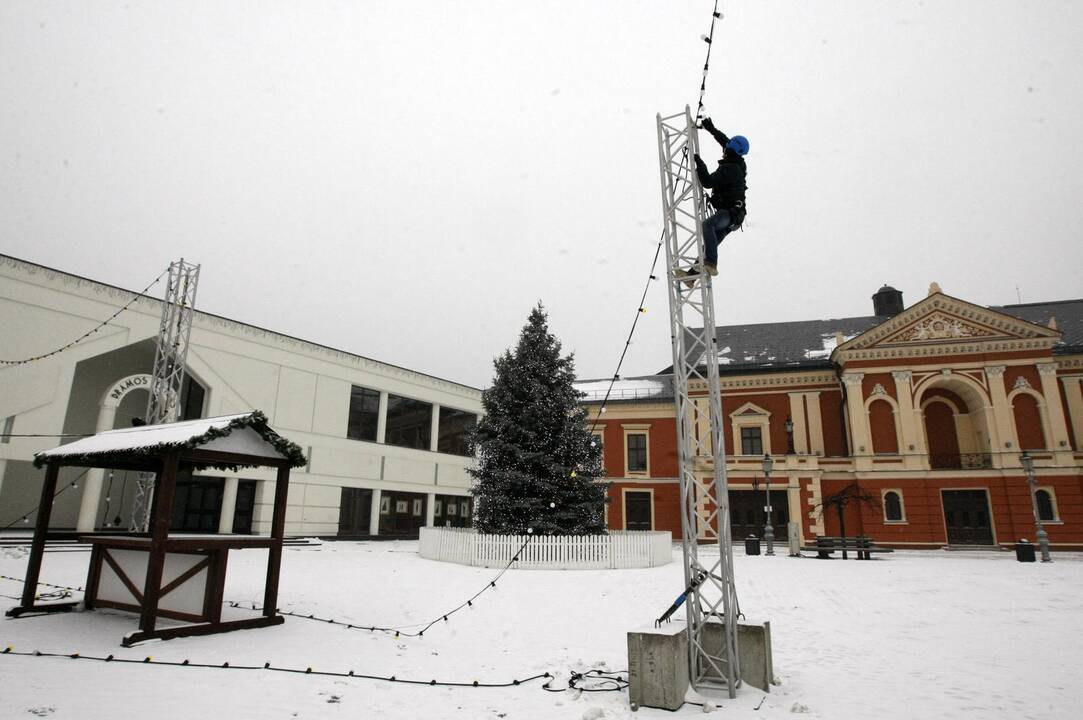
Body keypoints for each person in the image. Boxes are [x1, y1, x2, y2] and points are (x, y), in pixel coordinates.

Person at [677, 117, 748, 285]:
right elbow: (724, 140)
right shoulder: (736, 159)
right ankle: (691, 277)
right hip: (735, 216)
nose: (724, 149)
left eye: (727, 147)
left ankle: (711, 264)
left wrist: (698, 162)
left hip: (731, 213)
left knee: (707, 226)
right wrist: (711, 128)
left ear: (730, 150)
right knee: (711, 242)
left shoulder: (731, 169)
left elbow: (708, 181)